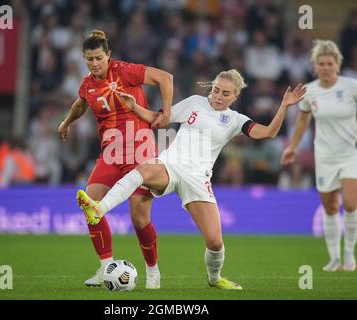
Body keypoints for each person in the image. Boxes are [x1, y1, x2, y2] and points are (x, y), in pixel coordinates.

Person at [76, 69, 305, 289]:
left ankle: (214, 278)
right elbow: (161, 119)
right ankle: (98, 208)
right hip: (171, 165)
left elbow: (268, 133)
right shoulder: (195, 102)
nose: (218, 96)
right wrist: (135, 107)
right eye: (216, 90)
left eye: (225, 93)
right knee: (144, 170)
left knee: (215, 243)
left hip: (198, 179)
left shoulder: (235, 120)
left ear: (235, 96)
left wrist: (284, 106)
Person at [58, 30, 173, 288]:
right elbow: (81, 104)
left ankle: (153, 272)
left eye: (99, 58)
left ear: (108, 55)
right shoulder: (88, 83)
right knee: (91, 205)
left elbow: (166, 78)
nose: (95, 63)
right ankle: (104, 268)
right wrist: (66, 123)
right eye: (89, 59)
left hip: (139, 151)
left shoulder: (125, 71)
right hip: (110, 154)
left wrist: (166, 112)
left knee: (139, 218)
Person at [281, 40, 357, 272]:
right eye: (321, 63)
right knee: (331, 207)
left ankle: (349, 254)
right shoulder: (309, 91)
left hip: (350, 153)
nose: (325, 67)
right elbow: (303, 119)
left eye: (329, 63)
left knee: (352, 203)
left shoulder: (351, 87)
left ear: (337, 64)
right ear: (315, 66)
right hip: (324, 155)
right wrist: (292, 147)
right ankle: (334, 258)